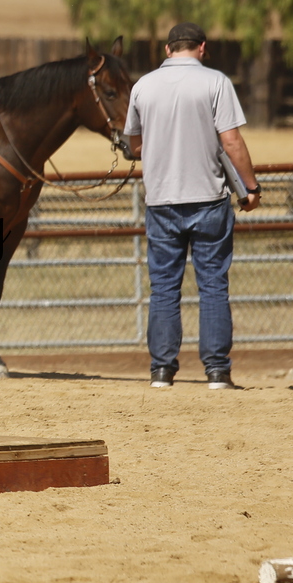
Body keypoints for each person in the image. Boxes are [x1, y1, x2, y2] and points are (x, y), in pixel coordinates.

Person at [123, 21, 261, 390]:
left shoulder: (143, 86)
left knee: (164, 287)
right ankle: (217, 371)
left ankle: (162, 370)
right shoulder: (215, 82)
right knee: (213, 284)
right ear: (202, 48)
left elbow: (134, 145)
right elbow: (231, 141)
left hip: (162, 200)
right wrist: (250, 187)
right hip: (208, 198)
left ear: (167, 49)